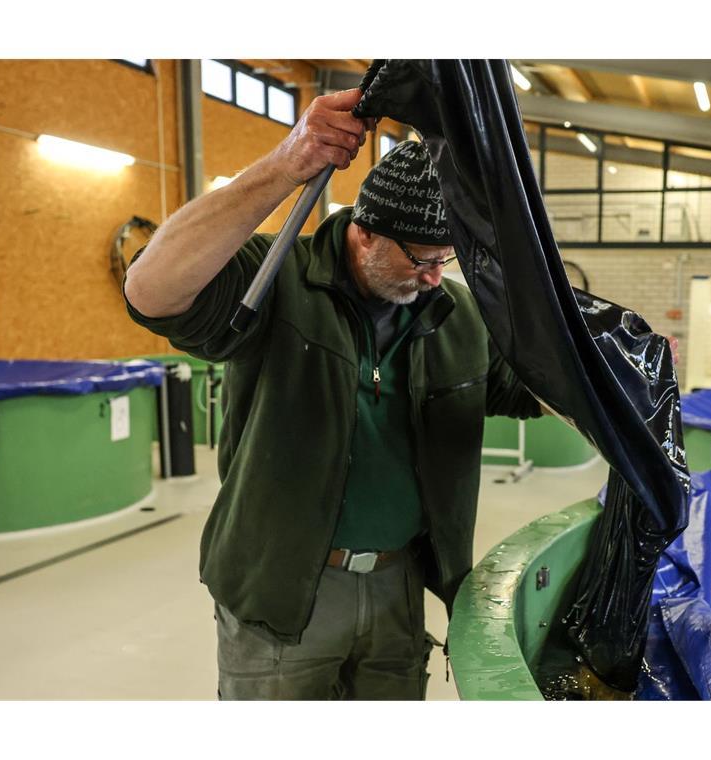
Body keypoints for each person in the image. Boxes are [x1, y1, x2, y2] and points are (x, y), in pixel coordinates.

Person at [123, 87, 542, 700]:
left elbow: (532, 387)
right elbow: (150, 291)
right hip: (284, 590)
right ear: (365, 233)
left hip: (399, 588)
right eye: (423, 258)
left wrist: (616, 365)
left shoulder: (454, 315)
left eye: (446, 261)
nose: (433, 278)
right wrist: (284, 164)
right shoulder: (277, 280)